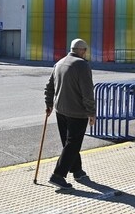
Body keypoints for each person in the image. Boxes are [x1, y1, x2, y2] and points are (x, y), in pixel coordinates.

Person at [44, 38, 96, 190]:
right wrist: (91, 112)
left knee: (69, 143)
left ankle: (77, 170)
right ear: (81, 50)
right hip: (76, 113)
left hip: (61, 111)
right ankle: (58, 175)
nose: (86, 53)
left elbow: (49, 86)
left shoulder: (59, 63)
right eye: (85, 50)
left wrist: (48, 104)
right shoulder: (82, 65)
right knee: (73, 144)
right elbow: (88, 92)